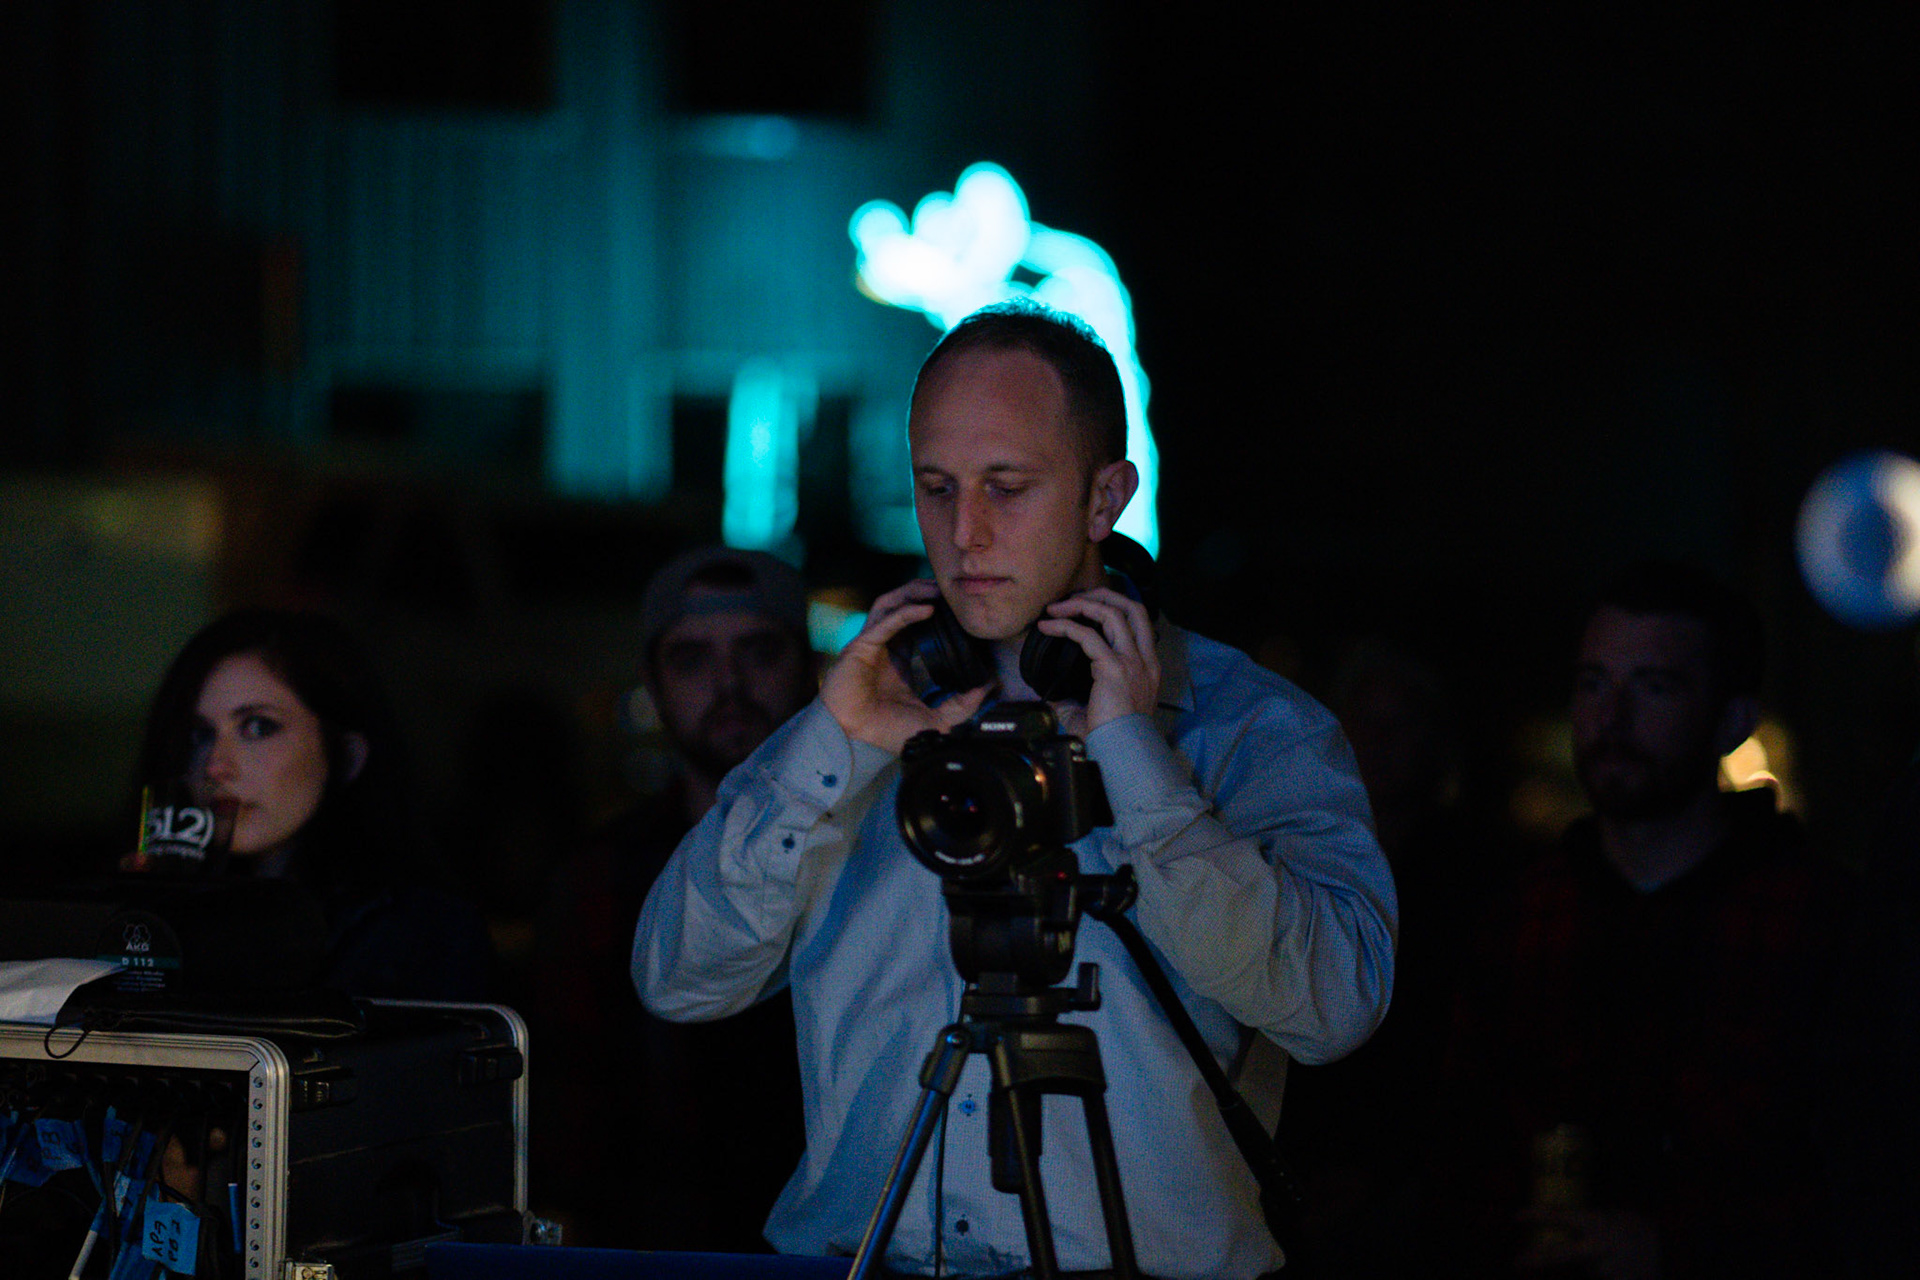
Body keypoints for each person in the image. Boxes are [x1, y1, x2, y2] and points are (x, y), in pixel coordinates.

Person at [633, 302, 1398, 1279]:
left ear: (1104, 496)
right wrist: (834, 747)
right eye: (936, 487)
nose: (965, 532)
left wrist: (1138, 765)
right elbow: (679, 978)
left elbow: (1336, 1007)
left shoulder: (1252, 727)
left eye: (1008, 487)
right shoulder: (858, 715)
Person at [1434, 561, 1842, 1278]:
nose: (1610, 718)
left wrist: (1678, 1250)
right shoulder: (1522, 918)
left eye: (1654, 687)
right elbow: (1458, 1154)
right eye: (1593, 683)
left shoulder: (1818, 924)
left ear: (1732, 720)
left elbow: (1861, 1182)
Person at [532, 546, 818, 1249]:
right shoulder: (601, 877)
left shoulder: (882, 856)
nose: (729, 683)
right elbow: (570, 1107)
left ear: (808, 666)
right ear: (653, 684)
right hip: (650, 1243)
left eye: (759, 651)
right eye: (691, 660)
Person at [135, 608, 493, 1000]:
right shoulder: (173, 907)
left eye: (258, 727)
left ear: (347, 755)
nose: (216, 765)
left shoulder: (421, 931)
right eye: (199, 734)